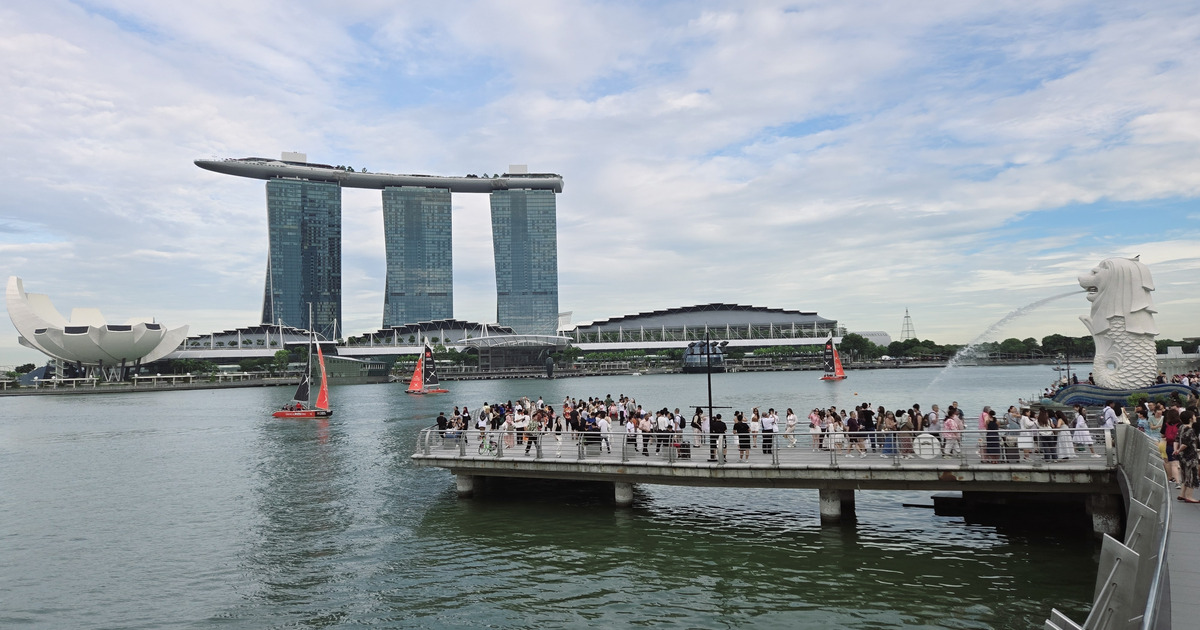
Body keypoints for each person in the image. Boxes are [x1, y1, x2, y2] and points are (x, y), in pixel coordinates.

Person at [1174, 411, 1200, 503]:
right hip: (1190, 456)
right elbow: (1185, 444)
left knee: (1184, 474)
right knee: (1192, 475)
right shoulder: (1190, 430)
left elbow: (1176, 440)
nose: (1195, 417)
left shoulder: (1181, 427)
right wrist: (1179, 450)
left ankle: (1182, 494)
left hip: (1182, 456)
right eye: (1194, 416)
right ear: (1190, 419)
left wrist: (1176, 450)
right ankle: (1189, 496)